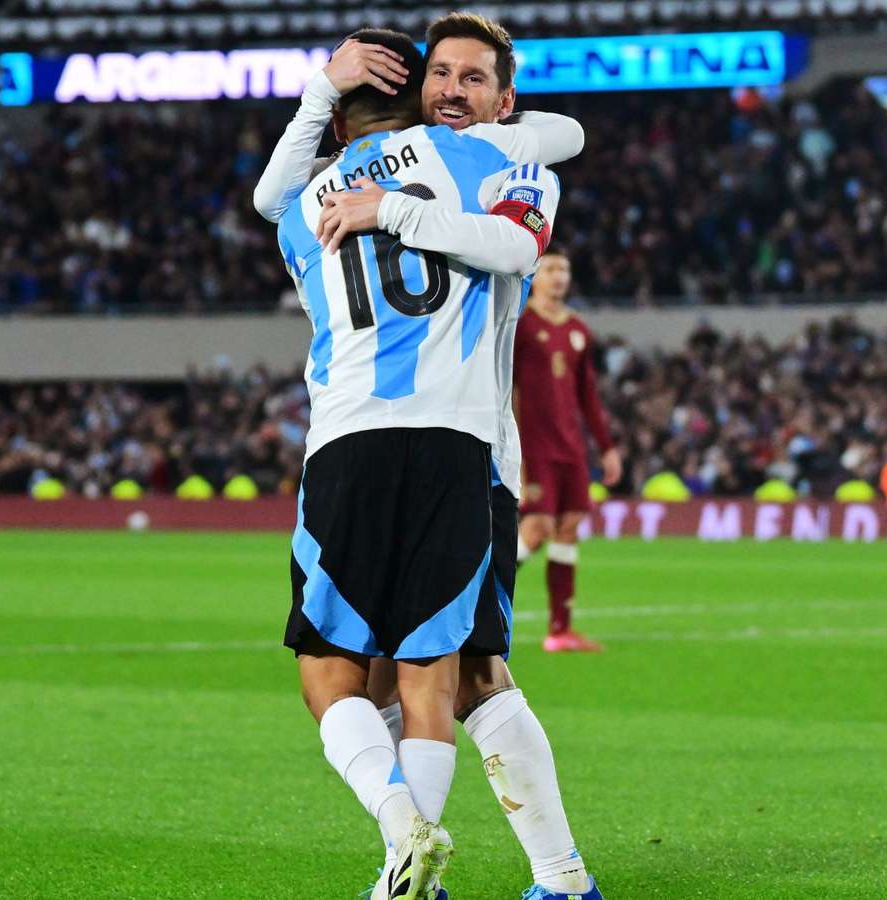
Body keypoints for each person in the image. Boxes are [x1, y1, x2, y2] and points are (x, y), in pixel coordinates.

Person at [260, 19, 601, 900]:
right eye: (439, 74)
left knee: (442, 673)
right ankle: (527, 877)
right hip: (457, 442)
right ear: (416, 96)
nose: (452, 90)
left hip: (459, 449)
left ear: (504, 98)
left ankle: (453, 867)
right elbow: (562, 141)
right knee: (441, 673)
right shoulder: (481, 162)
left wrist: (367, 167)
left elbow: (272, 197)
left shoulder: (320, 203)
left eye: (472, 78)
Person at [514, 247, 621, 652]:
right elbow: (508, 389)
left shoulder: (578, 329)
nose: (559, 276)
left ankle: (560, 630)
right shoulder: (521, 325)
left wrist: (606, 448)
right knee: (537, 529)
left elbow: (587, 395)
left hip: (571, 447)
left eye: (564, 269)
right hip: (534, 446)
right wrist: (513, 451)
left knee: (570, 525)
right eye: (551, 268)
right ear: (535, 276)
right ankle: (478, 605)